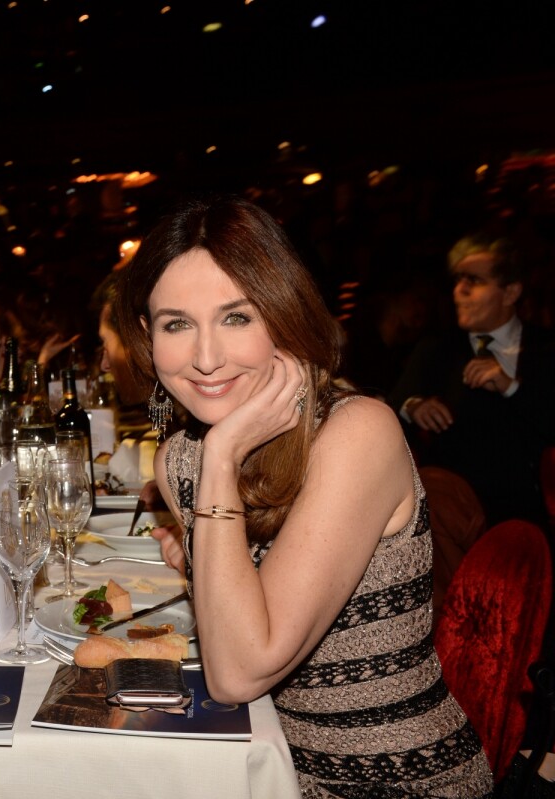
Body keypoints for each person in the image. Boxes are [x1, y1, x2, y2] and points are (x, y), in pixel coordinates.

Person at [117, 196, 492, 797]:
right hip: (269, 772)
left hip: (395, 782)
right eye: (177, 323)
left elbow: (240, 671)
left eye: (237, 317)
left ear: (285, 316)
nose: (206, 358)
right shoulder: (177, 460)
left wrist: (222, 457)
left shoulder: (357, 431)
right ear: (146, 334)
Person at [389, 234, 555, 526]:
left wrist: (511, 388)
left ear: (510, 292)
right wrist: (414, 407)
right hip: (449, 516)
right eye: (457, 280)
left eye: (474, 281)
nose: (459, 291)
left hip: (528, 515)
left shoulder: (545, 348)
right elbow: (392, 408)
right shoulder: (435, 348)